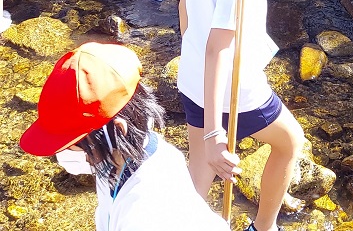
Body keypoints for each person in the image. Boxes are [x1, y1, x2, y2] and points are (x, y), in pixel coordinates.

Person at [178, 0, 308, 231]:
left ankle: (185, 223)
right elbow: (219, 48)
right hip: (231, 91)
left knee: (200, 164)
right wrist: (219, 132)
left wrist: (190, 52)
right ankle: (263, 227)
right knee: (290, 142)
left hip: (192, 79)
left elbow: (185, 4)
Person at [19, 42, 230, 231]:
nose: (62, 153)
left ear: (118, 131)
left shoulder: (146, 213)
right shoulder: (125, 156)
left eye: (72, 144)